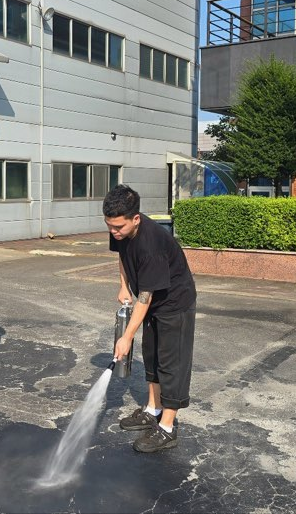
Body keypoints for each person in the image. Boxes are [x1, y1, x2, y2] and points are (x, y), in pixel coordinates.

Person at [105, 184, 196, 453]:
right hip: (154, 302)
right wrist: (123, 285)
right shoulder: (120, 229)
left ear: (136, 219)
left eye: (118, 227)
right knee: (152, 356)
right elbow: (122, 256)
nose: (113, 232)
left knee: (172, 362)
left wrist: (126, 336)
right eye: (109, 226)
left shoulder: (151, 243)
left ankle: (167, 427)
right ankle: (152, 409)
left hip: (174, 303)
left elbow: (146, 298)